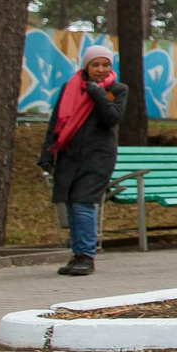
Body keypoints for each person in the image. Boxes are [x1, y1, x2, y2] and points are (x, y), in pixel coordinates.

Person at [43, 44, 124, 277]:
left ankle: (87, 256)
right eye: (95, 64)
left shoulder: (117, 90)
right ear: (86, 66)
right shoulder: (69, 88)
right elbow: (55, 122)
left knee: (83, 203)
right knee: (70, 204)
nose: (100, 69)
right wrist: (46, 154)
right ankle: (77, 254)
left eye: (105, 64)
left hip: (98, 156)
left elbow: (112, 118)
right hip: (69, 154)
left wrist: (97, 93)